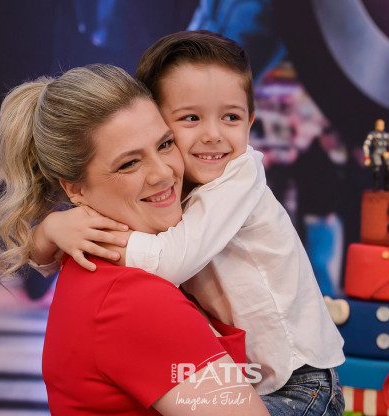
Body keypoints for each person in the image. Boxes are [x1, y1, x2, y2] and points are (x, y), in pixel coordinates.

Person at [32, 31, 345, 415]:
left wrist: (93, 238)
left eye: (231, 117)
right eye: (191, 119)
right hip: (266, 378)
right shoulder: (174, 196)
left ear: (250, 122)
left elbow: (170, 261)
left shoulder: (238, 176)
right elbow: (49, 262)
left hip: (302, 385)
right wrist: (50, 230)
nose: (213, 135)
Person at [0, 63, 271, 416]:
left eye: (165, 144)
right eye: (129, 163)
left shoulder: (99, 274)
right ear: (75, 189)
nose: (163, 172)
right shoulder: (135, 300)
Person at [363, 118, 389, 190]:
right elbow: (366, 145)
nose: (380, 126)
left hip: (385, 153)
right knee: (376, 167)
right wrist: (367, 158)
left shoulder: (388, 135)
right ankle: (376, 185)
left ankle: (387, 185)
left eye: (382, 125)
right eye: (379, 124)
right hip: (376, 153)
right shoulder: (372, 134)